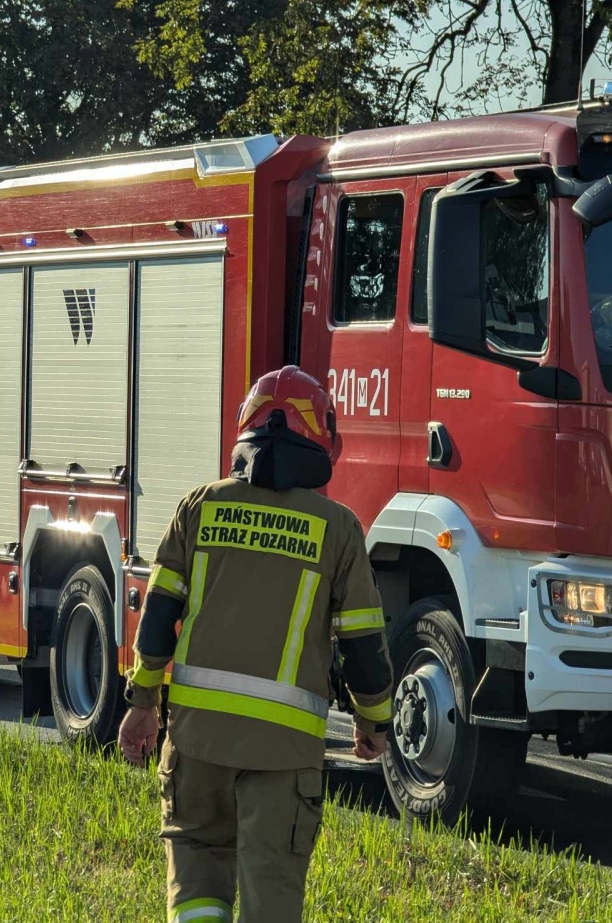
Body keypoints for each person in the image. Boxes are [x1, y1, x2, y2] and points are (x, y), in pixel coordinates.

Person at [118, 365, 395, 923]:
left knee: (195, 881)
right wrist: (374, 723)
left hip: (196, 744)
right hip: (282, 756)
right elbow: (363, 644)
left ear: (245, 430)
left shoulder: (200, 506)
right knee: (270, 901)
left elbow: (157, 618)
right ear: (321, 439)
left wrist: (143, 705)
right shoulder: (337, 529)